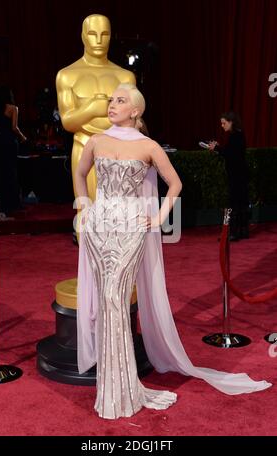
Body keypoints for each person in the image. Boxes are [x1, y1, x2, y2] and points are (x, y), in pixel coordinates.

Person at [75, 84, 271, 419]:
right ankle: (113, 388)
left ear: (136, 109)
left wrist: (158, 217)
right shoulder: (96, 140)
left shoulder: (149, 146)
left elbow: (175, 183)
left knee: (113, 297)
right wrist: (82, 208)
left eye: (120, 100)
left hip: (132, 230)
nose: (112, 104)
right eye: (111, 100)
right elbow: (80, 173)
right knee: (110, 303)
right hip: (99, 229)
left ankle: (121, 388)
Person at [56, 14, 136, 202]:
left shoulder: (125, 76)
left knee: (119, 211)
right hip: (84, 145)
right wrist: (92, 108)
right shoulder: (67, 75)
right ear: (83, 36)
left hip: (120, 148)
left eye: (104, 34)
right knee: (87, 210)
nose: (99, 40)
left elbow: (134, 118)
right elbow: (67, 121)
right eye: (92, 34)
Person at [208, 112, 249, 240]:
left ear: (231, 122)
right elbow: (231, 153)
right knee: (240, 203)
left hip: (237, 176)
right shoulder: (238, 135)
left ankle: (234, 233)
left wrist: (216, 148)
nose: (222, 125)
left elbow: (230, 155)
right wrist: (219, 148)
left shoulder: (235, 136)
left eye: (224, 123)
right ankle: (241, 232)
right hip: (239, 175)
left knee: (235, 203)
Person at [0, 86, 26, 220]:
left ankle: (2, 203)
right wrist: (23, 137)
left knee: (0, 172)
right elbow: (14, 127)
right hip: (9, 141)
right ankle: (12, 203)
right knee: (11, 171)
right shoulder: (13, 108)